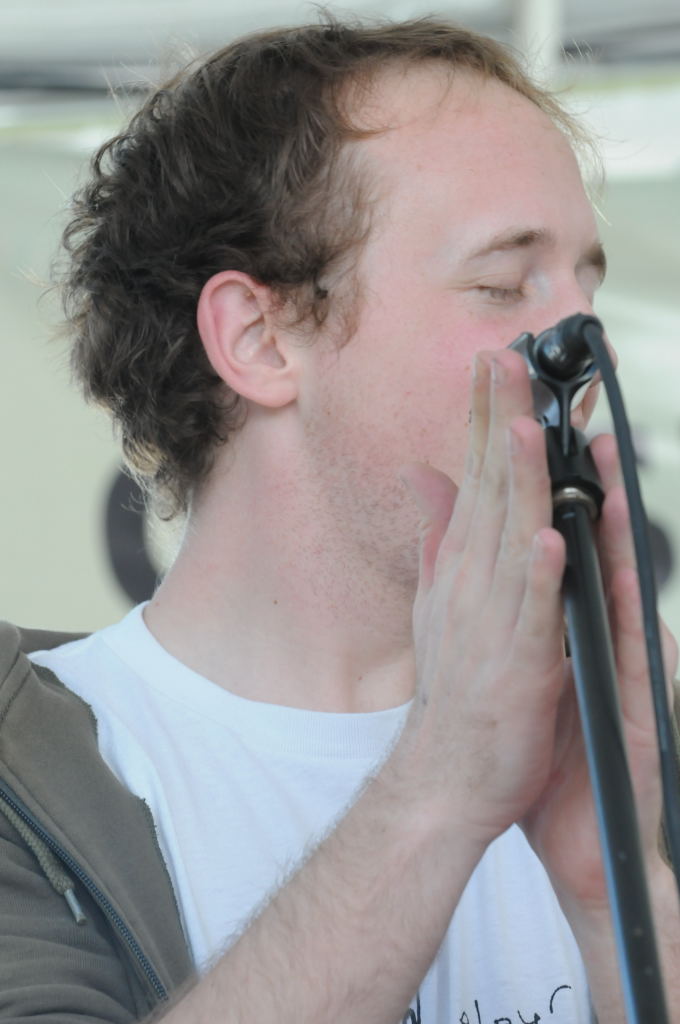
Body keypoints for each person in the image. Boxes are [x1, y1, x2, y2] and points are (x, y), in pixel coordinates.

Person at [1, 15, 678, 1024]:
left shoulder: (633, 746)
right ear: (259, 338)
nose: (587, 348)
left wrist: (622, 896)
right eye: (501, 284)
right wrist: (440, 788)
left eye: (585, 283)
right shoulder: (26, 771)